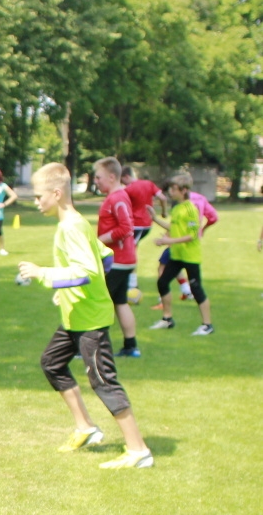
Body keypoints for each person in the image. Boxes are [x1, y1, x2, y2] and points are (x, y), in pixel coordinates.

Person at [17, 162, 152, 469]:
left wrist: (44, 274)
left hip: (90, 320)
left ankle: (138, 450)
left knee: (104, 382)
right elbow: (105, 258)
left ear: (56, 192)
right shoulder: (75, 223)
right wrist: (65, 289)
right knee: (51, 363)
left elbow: (87, 272)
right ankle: (86, 428)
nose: (36, 202)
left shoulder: (71, 227)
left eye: (39, 196)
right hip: (74, 315)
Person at [148, 173, 213, 336]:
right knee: (162, 282)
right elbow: (173, 227)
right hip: (177, 255)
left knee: (196, 289)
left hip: (190, 256)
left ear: (183, 190)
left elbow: (192, 235)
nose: (170, 192)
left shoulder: (191, 209)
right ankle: (167, 319)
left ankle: (207, 325)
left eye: (173, 189)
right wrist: (155, 218)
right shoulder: (177, 208)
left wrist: (168, 242)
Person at [91, 157, 140, 358]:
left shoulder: (117, 198)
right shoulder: (116, 197)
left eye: (98, 177)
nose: (96, 181)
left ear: (112, 177)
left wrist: (98, 241)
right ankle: (131, 346)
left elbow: (126, 228)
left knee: (97, 302)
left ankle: (93, 349)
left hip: (117, 261)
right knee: (120, 302)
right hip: (123, 260)